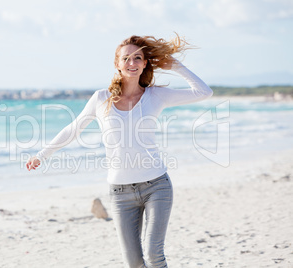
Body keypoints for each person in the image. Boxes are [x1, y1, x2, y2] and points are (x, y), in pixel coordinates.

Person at [26, 34, 213, 268]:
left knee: (154, 255)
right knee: (134, 263)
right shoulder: (101, 99)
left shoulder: (156, 95)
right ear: (117, 64)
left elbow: (204, 92)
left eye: (137, 58)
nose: (132, 63)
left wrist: (174, 65)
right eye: (126, 58)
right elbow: (73, 129)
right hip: (120, 194)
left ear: (145, 63)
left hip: (157, 186)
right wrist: (42, 155)